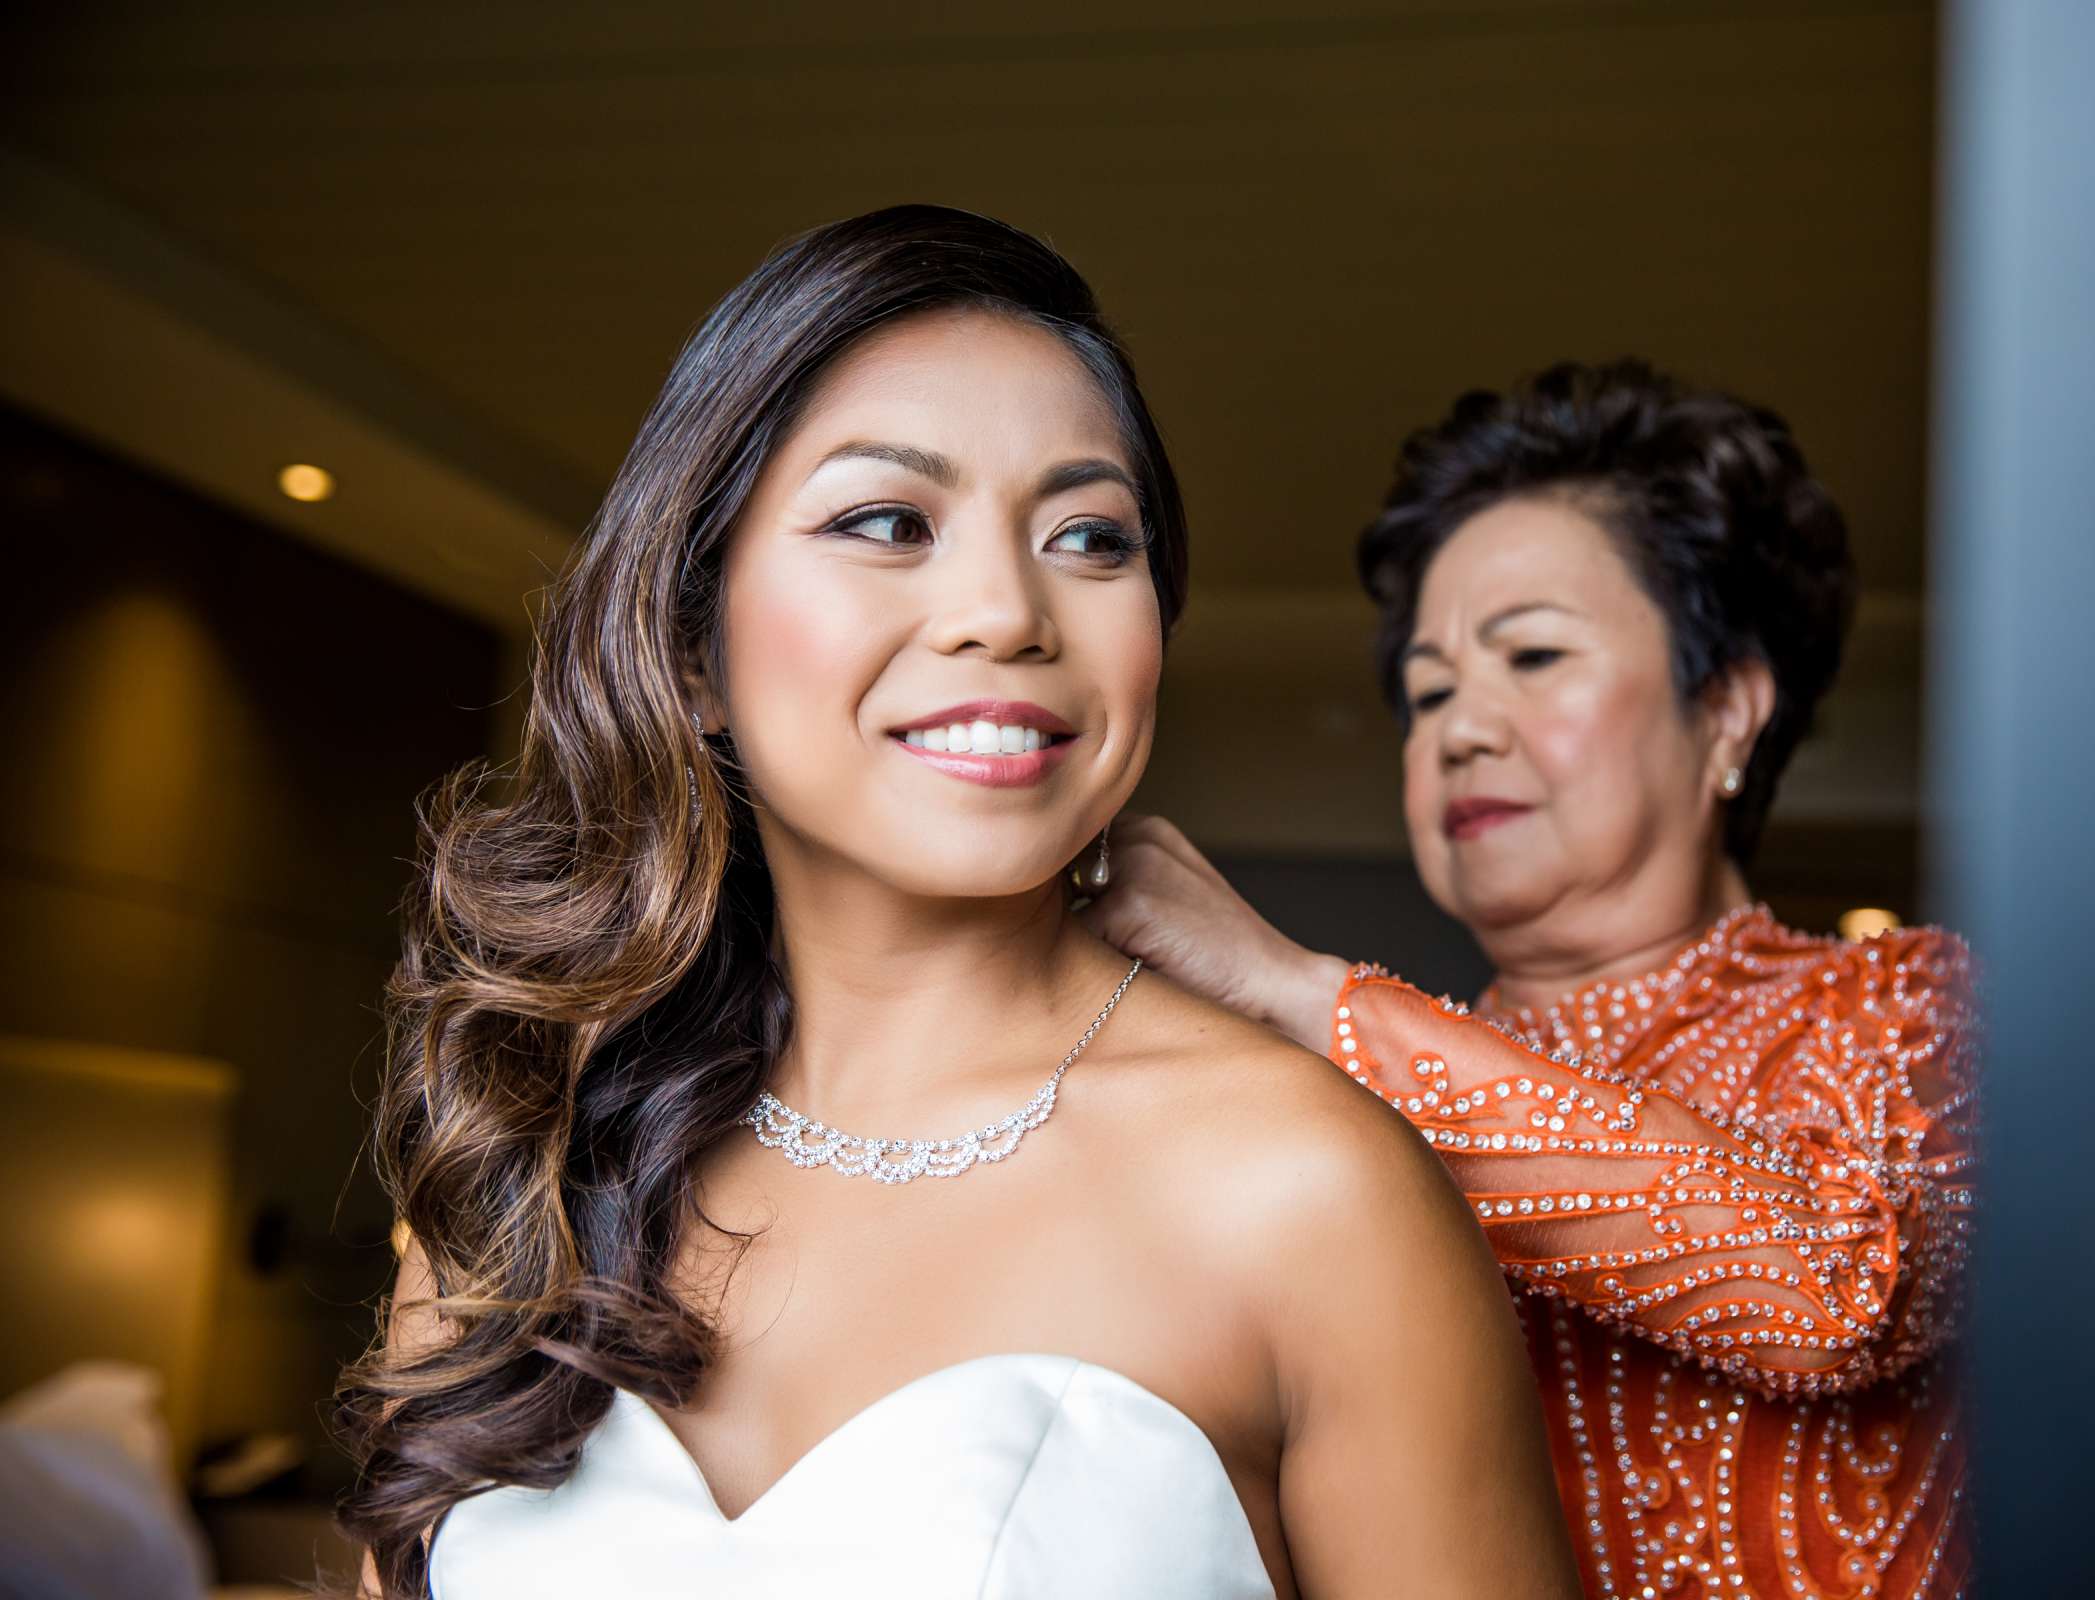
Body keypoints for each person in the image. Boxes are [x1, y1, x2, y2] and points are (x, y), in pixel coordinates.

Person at [334, 207, 1579, 1600]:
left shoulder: (1312, 1196)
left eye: (1091, 538)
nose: (1006, 610)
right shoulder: (527, 1162)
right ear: (691, 648)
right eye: (887, 521)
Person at [1085, 360, 1978, 1598]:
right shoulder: (1309, 1095)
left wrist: (1302, 998)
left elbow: (1848, 1281)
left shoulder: (1907, 999)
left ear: (1727, 712)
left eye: (1535, 657)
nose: (1461, 727)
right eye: (1429, 689)